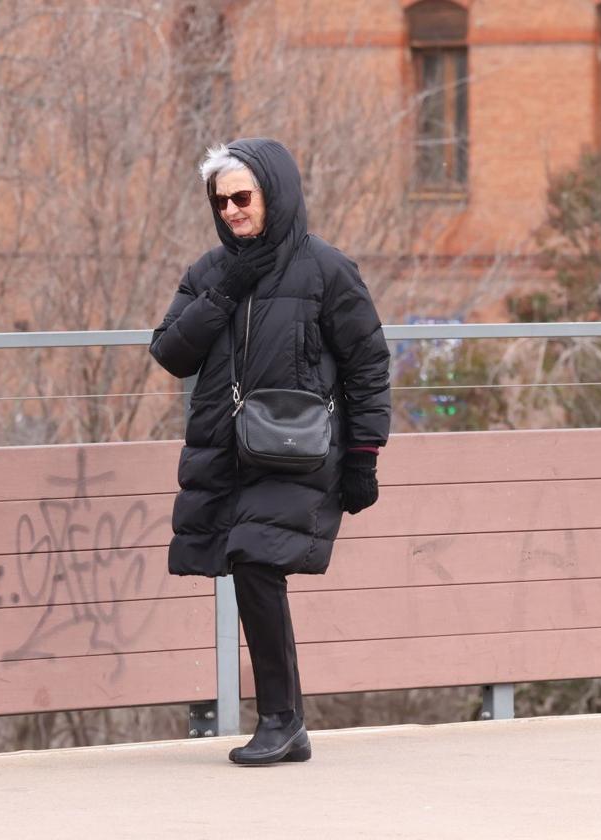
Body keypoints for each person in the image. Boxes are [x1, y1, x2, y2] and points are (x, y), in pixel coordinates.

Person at [149, 138, 391, 765]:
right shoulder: (210, 272)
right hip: (229, 453)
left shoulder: (326, 269)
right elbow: (170, 353)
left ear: (273, 193)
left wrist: (365, 453)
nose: (230, 210)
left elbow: (368, 363)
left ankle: (281, 720)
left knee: (255, 561)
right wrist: (224, 292)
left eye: (241, 197)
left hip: (299, 452)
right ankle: (289, 725)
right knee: (248, 566)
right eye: (220, 200)